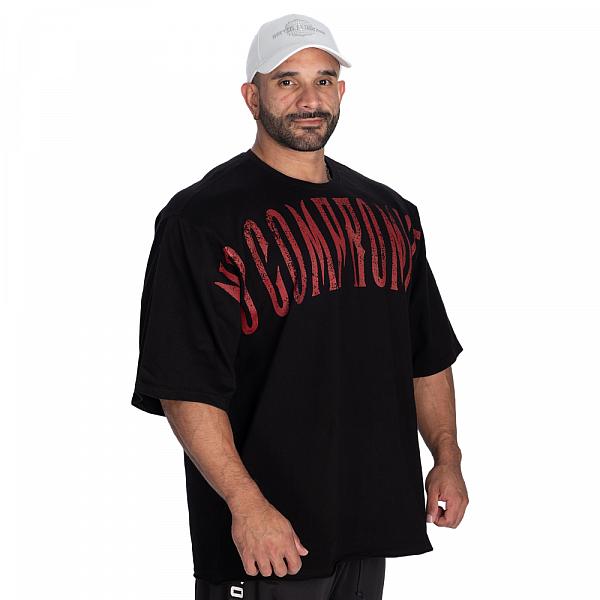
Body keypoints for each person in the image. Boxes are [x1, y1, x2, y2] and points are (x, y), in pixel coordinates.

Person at [131, 12, 469, 600]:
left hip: (368, 525)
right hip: (264, 538)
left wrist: (446, 455)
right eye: (287, 81)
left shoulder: (390, 213)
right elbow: (184, 385)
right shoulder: (202, 219)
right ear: (251, 96)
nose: (309, 100)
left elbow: (426, 354)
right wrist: (246, 504)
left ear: (341, 92)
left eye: (323, 80)